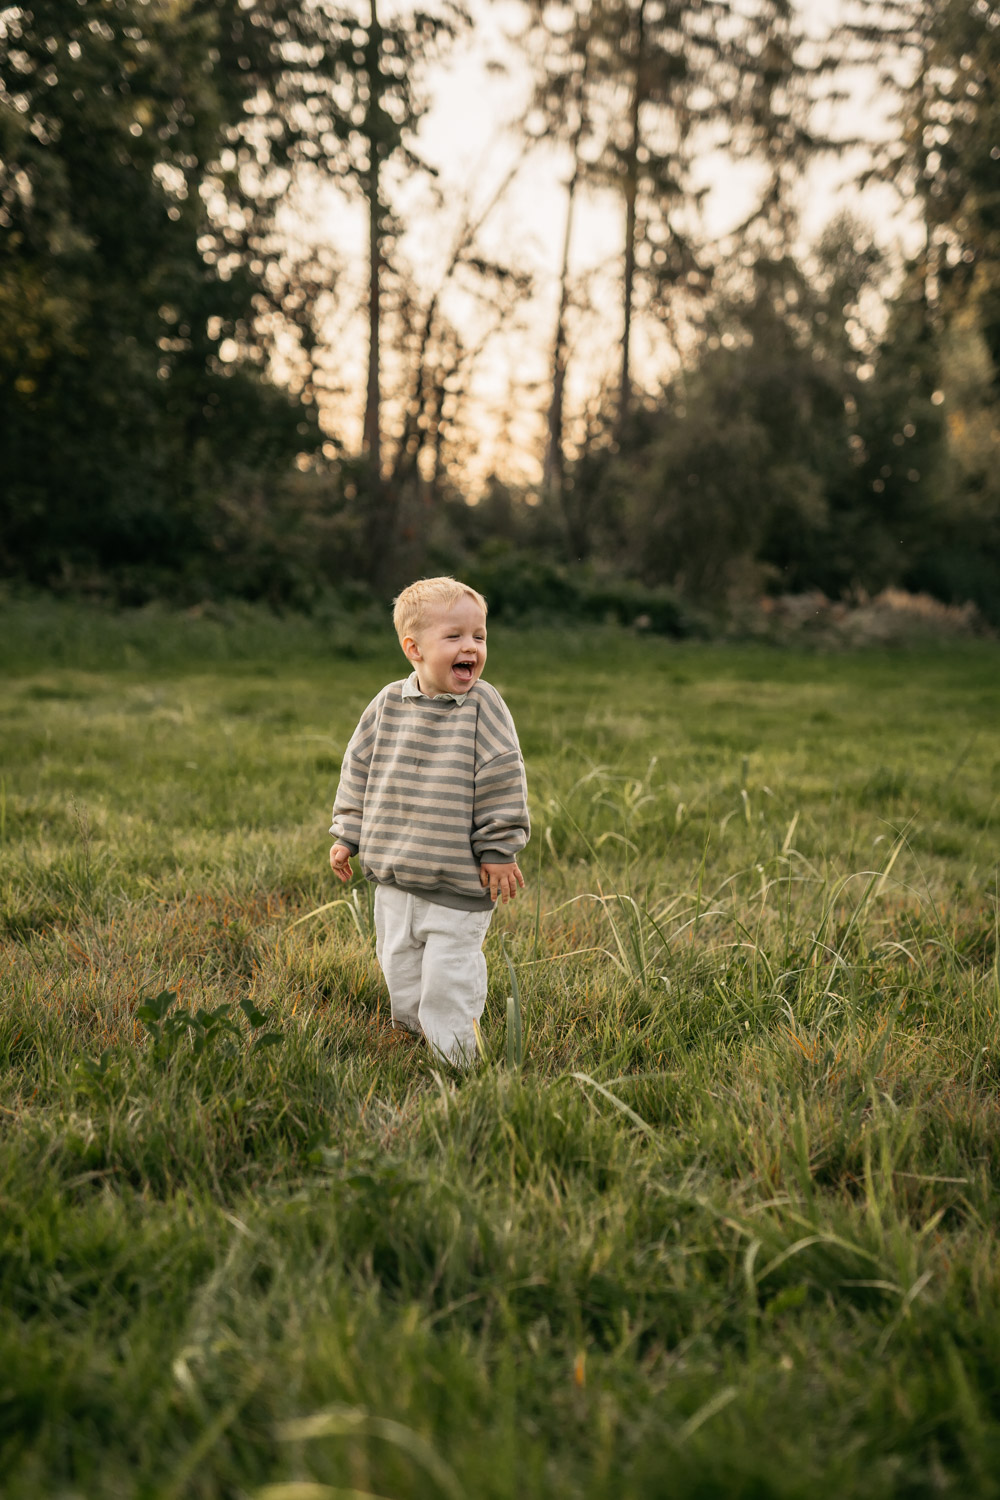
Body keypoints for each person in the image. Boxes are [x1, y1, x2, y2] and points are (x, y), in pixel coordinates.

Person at [329, 576, 530, 1066]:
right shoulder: (386, 705)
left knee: (449, 974)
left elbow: (503, 775)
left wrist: (499, 850)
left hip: (456, 883)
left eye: (479, 636)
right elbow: (359, 769)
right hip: (394, 876)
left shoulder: (484, 706)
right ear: (413, 648)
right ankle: (410, 1034)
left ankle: (456, 1058)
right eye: (455, 636)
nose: (471, 648)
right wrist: (347, 834)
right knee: (399, 965)